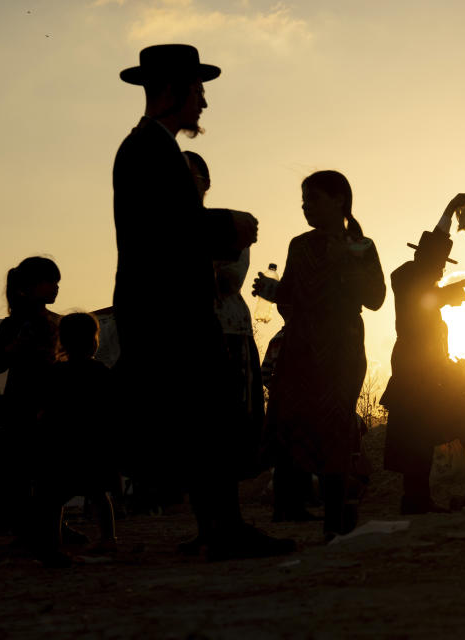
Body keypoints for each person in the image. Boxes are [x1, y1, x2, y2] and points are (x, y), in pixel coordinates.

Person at [112, 44, 292, 560]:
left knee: (200, 419)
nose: (204, 104)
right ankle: (224, 529)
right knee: (207, 417)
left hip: (167, 310)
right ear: (172, 90)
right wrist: (225, 226)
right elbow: (162, 230)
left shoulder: (152, 148)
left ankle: (218, 527)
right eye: (198, 91)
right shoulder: (147, 150)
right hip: (168, 313)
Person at [253, 170, 385, 539]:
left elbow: (375, 299)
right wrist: (270, 290)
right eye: (304, 199)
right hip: (301, 345)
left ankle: (335, 515)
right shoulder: (300, 245)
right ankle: (294, 504)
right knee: (293, 420)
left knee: (335, 422)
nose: (305, 206)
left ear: (338, 200)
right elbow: (293, 297)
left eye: (313, 198)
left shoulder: (362, 246)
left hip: (341, 346)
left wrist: (346, 261)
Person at [381, 202, 465, 515]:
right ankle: (415, 499)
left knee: (423, 434)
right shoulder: (406, 278)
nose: (442, 269)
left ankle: (418, 498)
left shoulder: (425, 287)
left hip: (429, 372)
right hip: (414, 372)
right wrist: (462, 285)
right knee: (416, 434)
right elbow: (430, 296)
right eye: (439, 262)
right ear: (423, 259)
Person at [184, 150, 265, 481]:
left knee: (230, 417)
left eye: (190, 177)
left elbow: (228, 282)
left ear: (206, 185)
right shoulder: (157, 228)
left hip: (227, 330)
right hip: (182, 333)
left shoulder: (228, 227)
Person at [33, 313, 120, 567]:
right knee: (98, 493)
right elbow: (110, 408)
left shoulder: (56, 373)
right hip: (93, 444)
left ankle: (53, 544)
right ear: (94, 342)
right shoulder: (100, 371)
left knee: (53, 498)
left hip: (64, 445)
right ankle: (108, 537)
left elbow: (46, 408)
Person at [0, 257, 62, 544]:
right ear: (28, 287)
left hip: (48, 401)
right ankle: (28, 528)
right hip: (21, 403)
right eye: (50, 282)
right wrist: (13, 348)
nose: (55, 288)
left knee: (49, 471)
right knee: (23, 471)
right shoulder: (13, 325)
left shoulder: (53, 322)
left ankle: (52, 525)